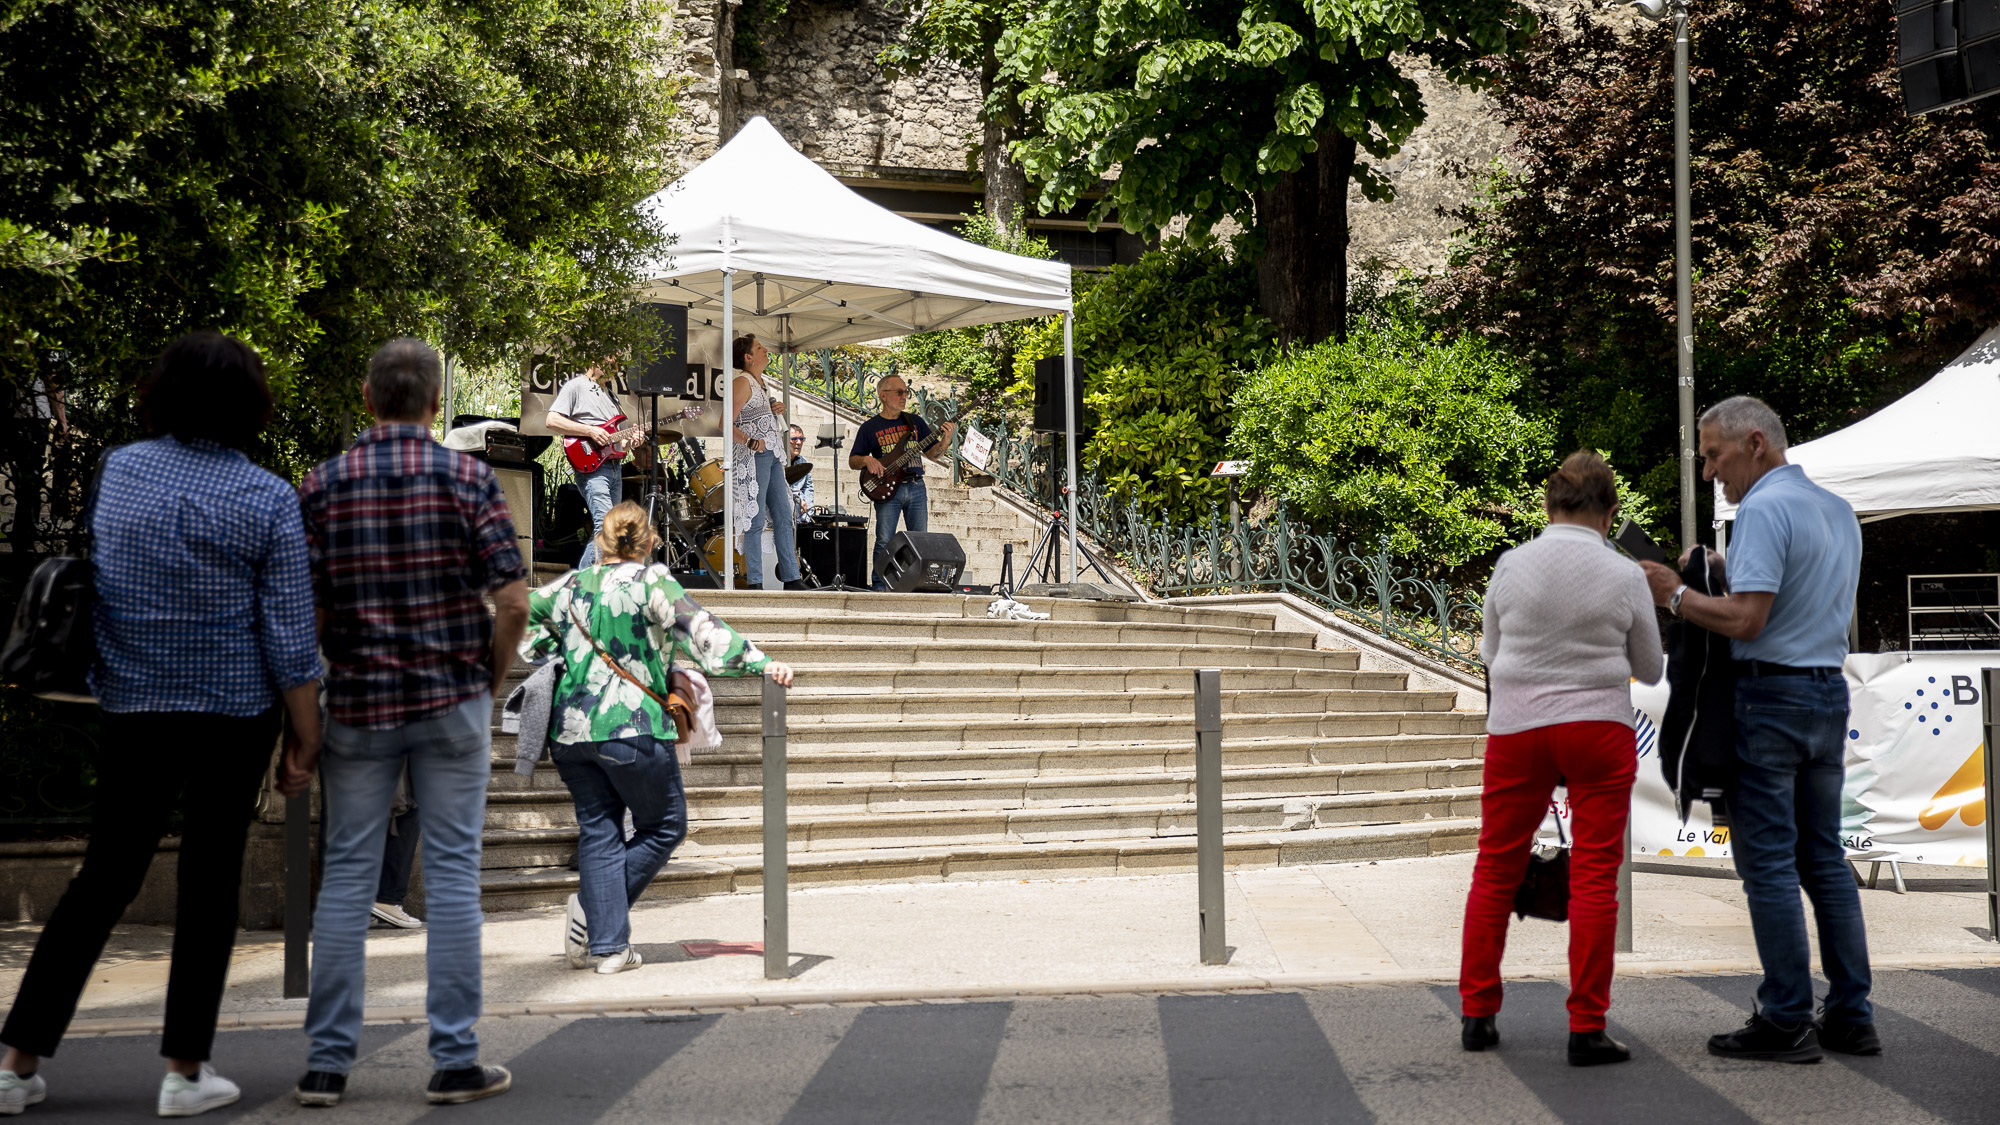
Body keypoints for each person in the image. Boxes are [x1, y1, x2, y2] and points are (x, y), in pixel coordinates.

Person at [0, 332, 324, 1118]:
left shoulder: (121, 469)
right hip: (232, 710)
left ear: (161, 392)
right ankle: (185, 1071)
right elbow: (287, 634)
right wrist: (305, 735)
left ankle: (16, 1064)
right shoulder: (268, 496)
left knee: (103, 876)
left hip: (134, 702)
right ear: (251, 406)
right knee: (209, 881)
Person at [284, 337, 530, 1108]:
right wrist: (487, 682)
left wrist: (314, 699)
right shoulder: (467, 476)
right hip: (451, 698)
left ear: (367, 399)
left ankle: (327, 1063)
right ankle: (454, 1059)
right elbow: (516, 599)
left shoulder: (322, 484)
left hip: (358, 703)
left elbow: (306, 611)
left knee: (347, 877)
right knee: (454, 877)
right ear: (433, 405)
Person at [1640, 395, 1873, 1064]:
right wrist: (1708, 572)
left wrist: (1675, 595)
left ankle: (1785, 1017)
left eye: (1714, 455)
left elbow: (1748, 620)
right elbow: (1787, 600)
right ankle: (1852, 1014)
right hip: (1828, 692)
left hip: (1770, 696)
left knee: (1767, 862)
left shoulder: (1764, 507)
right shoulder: (1837, 510)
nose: (1711, 471)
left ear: (1755, 444)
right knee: (1823, 859)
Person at [522, 501, 793, 973]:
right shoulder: (652, 582)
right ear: (648, 543)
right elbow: (705, 634)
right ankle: (594, 916)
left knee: (599, 830)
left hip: (570, 732)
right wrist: (761, 662)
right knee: (665, 826)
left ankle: (607, 946)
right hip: (633, 727)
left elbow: (524, 627)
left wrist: (555, 649)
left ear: (599, 543)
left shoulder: (570, 586)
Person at [1458, 450, 1662, 1068]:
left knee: (1495, 865)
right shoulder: (1624, 574)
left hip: (1518, 730)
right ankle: (1586, 1027)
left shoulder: (1511, 565)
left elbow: (1491, 652)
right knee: (1597, 874)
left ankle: (1477, 1015)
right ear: (1611, 513)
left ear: (1549, 506)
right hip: (1597, 730)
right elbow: (1650, 667)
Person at [849, 374, 955, 591]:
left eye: (905, 392)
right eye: (899, 392)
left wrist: (946, 440)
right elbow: (853, 460)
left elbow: (933, 455)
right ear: (883, 396)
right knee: (884, 539)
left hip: (916, 486)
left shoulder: (914, 422)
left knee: (920, 540)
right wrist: (868, 460)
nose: (904, 396)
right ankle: (879, 585)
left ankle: (917, 584)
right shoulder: (870, 427)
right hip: (888, 489)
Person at [730, 336, 805, 590]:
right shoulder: (742, 382)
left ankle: (792, 577)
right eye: (759, 348)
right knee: (755, 518)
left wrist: (773, 409)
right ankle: (755, 581)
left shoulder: (762, 383)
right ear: (748, 357)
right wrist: (749, 441)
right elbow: (724, 424)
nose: (765, 350)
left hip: (772, 454)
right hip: (754, 456)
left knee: (784, 516)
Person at [543, 359, 629, 569]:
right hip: (593, 466)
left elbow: (619, 442)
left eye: (617, 364)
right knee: (605, 525)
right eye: (611, 362)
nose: (616, 368)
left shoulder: (612, 396)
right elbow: (552, 420)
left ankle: (592, 583)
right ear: (594, 360)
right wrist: (590, 431)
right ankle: (582, 584)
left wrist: (631, 440)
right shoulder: (576, 386)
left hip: (614, 467)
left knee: (611, 528)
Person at [786, 423, 814, 518]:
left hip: (799, 516)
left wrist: (808, 514)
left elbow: (808, 488)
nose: (798, 442)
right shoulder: (776, 462)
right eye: (794, 439)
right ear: (784, 440)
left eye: (801, 439)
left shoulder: (804, 462)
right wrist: (799, 498)